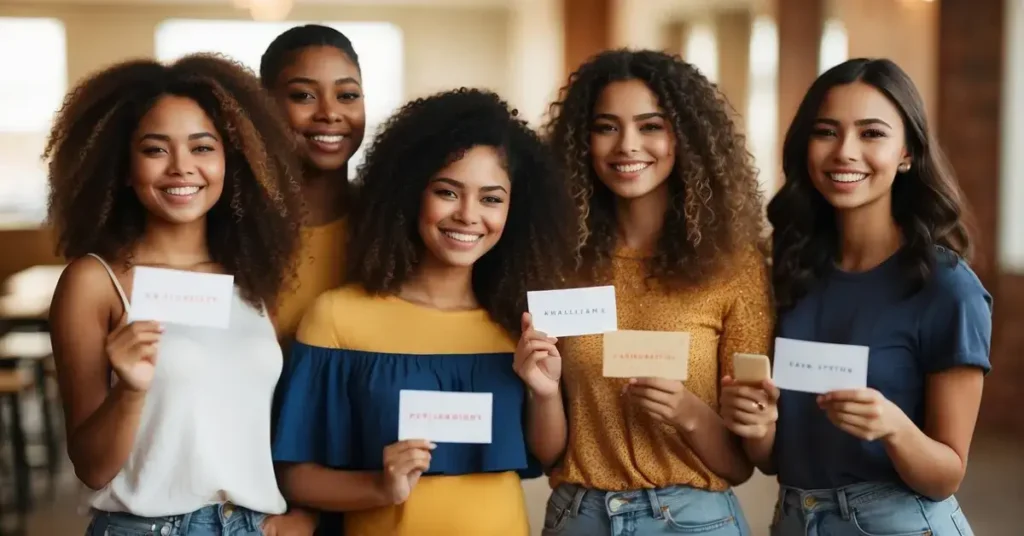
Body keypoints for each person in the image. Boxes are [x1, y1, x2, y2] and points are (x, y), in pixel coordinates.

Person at [271, 88, 575, 535]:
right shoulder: (338, 318)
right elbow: (295, 477)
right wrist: (380, 486)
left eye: (491, 198)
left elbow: (549, 457)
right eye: (448, 192)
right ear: (410, 194)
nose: (468, 215)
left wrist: (545, 392)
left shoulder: (519, 324)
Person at [45, 54, 316, 535]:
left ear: (231, 162)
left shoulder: (252, 278)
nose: (182, 168)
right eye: (155, 150)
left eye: (202, 147)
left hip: (249, 525)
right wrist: (130, 390)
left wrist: (292, 516)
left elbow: (250, 420)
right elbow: (90, 466)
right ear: (124, 167)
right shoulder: (96, 281)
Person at [720, 58, 990, 535]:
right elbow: (774, 461)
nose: (845, 152)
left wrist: (893, 426)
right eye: (826, 131)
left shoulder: (947, 289)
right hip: (793, 519)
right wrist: (759, 428)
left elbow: (947, 474)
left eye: (871, 134)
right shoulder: (787, 272)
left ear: (907, 153)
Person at [523, 49, 772, 535]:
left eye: (651, 126)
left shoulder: (733, 267)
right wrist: (544, 392)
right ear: (582, 141)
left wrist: (689, 413)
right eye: (607, 127)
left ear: (686, 138)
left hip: (693, 521)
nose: (627, 145)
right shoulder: (557, 262)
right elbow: (549, 452)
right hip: (579, 517)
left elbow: (743, 466)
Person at [260, 24, 366, 343]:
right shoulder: (235, 224)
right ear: (263, 103)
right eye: (303, 95)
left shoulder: (390, 226)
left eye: (347, 95)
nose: (330, 113)